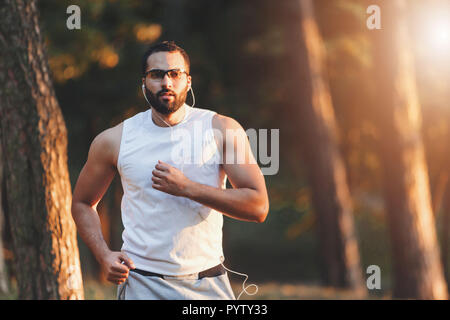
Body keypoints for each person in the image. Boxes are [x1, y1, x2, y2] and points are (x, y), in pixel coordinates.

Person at [71, 40, 269, 300]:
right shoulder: (114, 140)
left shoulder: (221, 129)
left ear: (188, 81)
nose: (166, 82)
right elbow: (82, 203)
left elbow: (258, 206)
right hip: (142, 282)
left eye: (175, 74)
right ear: (144, 83)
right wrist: (103, 255)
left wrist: (188, 188)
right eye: (156, 75)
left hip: (207, 284)